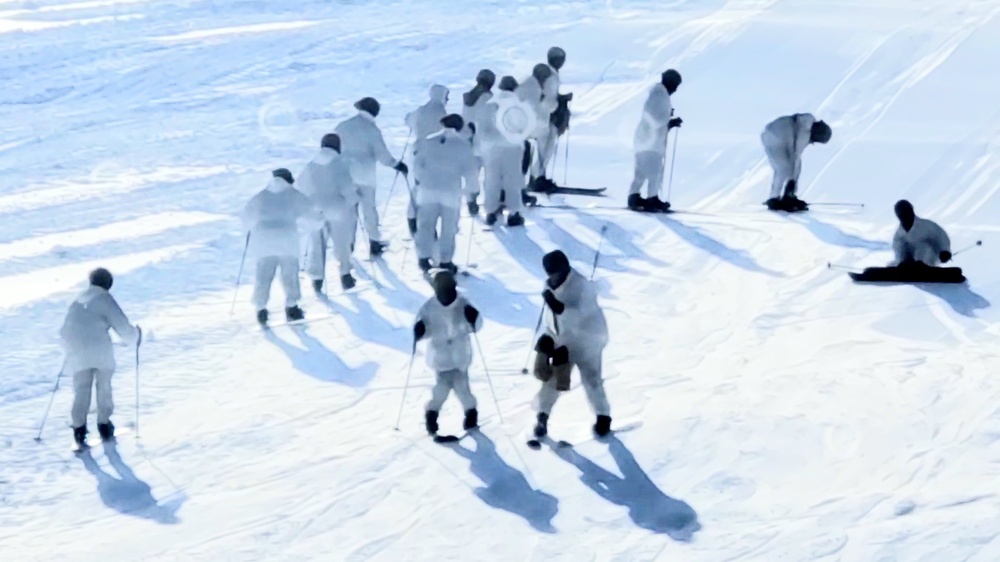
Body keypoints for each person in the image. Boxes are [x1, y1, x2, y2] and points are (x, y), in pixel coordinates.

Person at [531, 250, 612, 438]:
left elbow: (580, 315)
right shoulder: (549, 287)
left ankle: (603, 416)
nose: (553, 277)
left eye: (556, 272)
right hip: (565, 341)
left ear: (565, 268)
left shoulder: (582, 286)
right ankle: (542, 417)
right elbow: (551, 319)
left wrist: (559, 308)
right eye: (550, 273)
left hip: (589, 341)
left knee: (591, 380)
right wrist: (548, 338)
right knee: (551, 380)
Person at [59, 267, 141, 447]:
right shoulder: (105, 299)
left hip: (77, 353)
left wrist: (69, 349)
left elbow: (65, 330)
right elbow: (122, 326)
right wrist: (135, 336)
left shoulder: (78, 300)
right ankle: (104, 424)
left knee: (81, 389)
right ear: (108, 284)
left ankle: (79, 429)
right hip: (100, 352)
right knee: (104, 386)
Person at [241, 168, 321, 325]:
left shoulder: (261, 195)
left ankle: (261, 308)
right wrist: (320, 220)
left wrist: (249, 229)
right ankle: (292, 307)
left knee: (263, 276)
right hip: (287, 241)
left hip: (264, 242)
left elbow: (246, 216)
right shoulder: (294, 195)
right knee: (289, 275)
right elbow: (311, 215)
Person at [334, 97, 409, 257]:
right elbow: (382, 155)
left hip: (345, 175)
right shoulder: (372, 130)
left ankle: (348, 245)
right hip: (366, 176)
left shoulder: (342, 126)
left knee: (349, 212)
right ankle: (374, 242)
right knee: (369, 209)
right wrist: (396, 164)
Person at [413, 270, 483, 436]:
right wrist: (420, 330)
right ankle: (431, 416)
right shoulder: (429, 307)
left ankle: (471, 414)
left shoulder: (463, 304)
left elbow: (475, 327)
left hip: (460, 357)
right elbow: (424, 329)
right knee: (440, 391)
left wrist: (474, 319)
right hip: (441, 358)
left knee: (463, 390)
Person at [412, 114, 481, 274]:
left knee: (425, 225)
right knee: (448, 228)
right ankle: (445, 260)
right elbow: (471, 173)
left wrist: (421, 180)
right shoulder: (463, 145)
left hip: (427, 190)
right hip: (450, 193)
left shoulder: (428, 141)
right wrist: (472, 195)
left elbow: (417, 165)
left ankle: (423, 258)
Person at [297, 134, 361, 292]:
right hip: (337, 208)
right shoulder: (339, 164)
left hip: (315, 210)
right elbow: (346, 187)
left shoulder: (311, 164)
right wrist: (354, 199)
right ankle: (345, 274)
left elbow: (302, 185)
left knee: (317, 244)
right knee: (341, 242)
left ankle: (317, 278)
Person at [628, 69, 683, 213]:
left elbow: (654, 117)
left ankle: (634, 196)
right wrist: (669, 122)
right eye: (675, 85)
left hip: (644, 139)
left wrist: (668, 120)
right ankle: (652, 198)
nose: (675, 90)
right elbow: (655, 119)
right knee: (655, 170)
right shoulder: (660, 95)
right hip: (650, 141)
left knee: (641, 170)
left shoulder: (657, 94)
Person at [479, 76, 530, 227]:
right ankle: (514, 213)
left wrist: (486, 144)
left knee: (491, 179)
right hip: (512, 147)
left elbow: (482, 129)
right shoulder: (518, 105)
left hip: (491, 149)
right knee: (512, 180)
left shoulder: (489, 105)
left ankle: (491, 211)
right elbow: (524, 127)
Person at [761, 113, 832, 212]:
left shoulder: (805, 123)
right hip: (774, 138)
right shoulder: (804, 134)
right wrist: (792, 184)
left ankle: (779, 197)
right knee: (783, 168)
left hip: (773, 134)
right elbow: (795, 157)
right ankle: (774, 199)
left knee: (784, 168)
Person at [405, 85, 451, 235]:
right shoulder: (441, 112)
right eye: (446, 96)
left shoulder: (420, 110)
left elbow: (408, 120)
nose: (448, 99)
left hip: (418, 153)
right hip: (434, 155)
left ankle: (412, 218)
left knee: (419, 186)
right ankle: (426, 225)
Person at [527, 47, 567, 193]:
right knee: (545, 148)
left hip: (541, 116)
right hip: (544, 117)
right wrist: (559, 104)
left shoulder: (548, 73)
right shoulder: (550, 75)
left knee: (544, 148)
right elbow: (548, 100)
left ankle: (538, 176)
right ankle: (537, 178)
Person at [461, 69, 497, 216]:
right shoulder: (490, 99)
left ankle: (471, 201)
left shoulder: (468, 97)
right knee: (491, 175)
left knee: (472, 174)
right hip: (487, 142)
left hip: (470, 141)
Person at [890, 200, 952, 267]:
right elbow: (897, 251)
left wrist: (945, 251)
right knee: (901, 248)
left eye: (906, 213)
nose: (904, 217)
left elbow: (941, 237)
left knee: (922, 246)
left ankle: (921, 264)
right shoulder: (898, 236)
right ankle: (904, 266)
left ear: (911, 211)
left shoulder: (927, 226)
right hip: (908, 265)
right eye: (901, 215)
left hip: (929, 262)